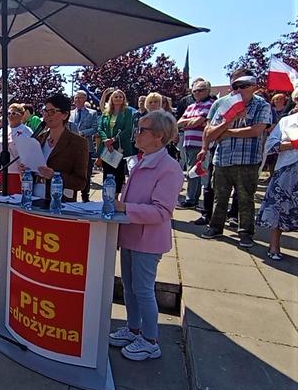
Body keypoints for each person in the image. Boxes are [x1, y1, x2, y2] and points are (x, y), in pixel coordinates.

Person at [108, 110, 183, 361]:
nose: (136, 134)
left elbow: (162, 211)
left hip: (147, 241)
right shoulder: (141, 160)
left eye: (142, 130)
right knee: (129, 288)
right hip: (130, 235)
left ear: (159, 136)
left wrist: (125, 208)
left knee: (143, 289)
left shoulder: (169, 168)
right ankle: (133, 329)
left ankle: (150, 340)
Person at [199, 69, 272, 248]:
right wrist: (228, 122)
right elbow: (209, 132)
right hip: (222, 159)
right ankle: (215, 227)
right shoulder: (223, 103)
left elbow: (256, 130)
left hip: (248, 160)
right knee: (219, 196)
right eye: (235, 86)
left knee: (246, 198)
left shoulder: (262, 105)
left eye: (244, 86)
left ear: (254, 87)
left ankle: (246, 233)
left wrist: (226, 132)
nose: (238, 89)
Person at [256, 89, 298, 261]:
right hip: (287, 170)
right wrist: (293, 144)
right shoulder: (287, 121)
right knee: (279, 209)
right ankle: (274, 246)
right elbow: (271, 145)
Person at [33, 93, 89, 201]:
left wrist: (55, 176)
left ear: (64, 115)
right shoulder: (38, 139)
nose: (47, 115)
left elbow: (80, 183)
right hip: (34, 200)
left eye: (52, 112)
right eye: (45, 111)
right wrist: (25, 172)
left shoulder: (78, 143)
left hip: (59, 204)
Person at [176, 80, 214, 208]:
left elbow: (198, 122)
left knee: (195, 171)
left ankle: (191, 199)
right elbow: (179, 122)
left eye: (200, 90)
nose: (197, 93)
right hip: (187, 142)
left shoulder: (210, 104)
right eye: (195, 91)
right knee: (192, 170)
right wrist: (190, 122)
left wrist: (189, 122)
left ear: (208, 91)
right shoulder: (191, 106)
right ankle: (193, 198)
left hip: (200, 143)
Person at [97, 89, 135, 195]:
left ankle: (116, 197)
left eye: (120, 97)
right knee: (107, 172)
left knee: (118, 174)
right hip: (107, 147)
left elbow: (128, 129)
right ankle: (106, 195)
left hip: (119, 147)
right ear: (111, 99)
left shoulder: (127, 112)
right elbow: (100, 128)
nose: (118, 99)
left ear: (123, 99)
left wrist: (113, 140)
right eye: (115, 97)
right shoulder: (106, 112)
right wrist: (105, 140)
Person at [0, 103, 33, 194]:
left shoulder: (27, 131)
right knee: (2, 201)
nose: (10, 116)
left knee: (15, 199)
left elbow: (32, 151)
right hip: (2, 171)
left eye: (14, 113)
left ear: (22, 115)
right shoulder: (3, 130)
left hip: (18, 173)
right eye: (9, 113)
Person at [69, 90, 98, 202]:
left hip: (86, 147)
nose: (77, 100)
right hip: (71, 148)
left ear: (85, 99)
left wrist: (82, 133)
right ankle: (72, 196)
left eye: (80, 98)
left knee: (86, 172)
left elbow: (95, 128)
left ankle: (85, 196)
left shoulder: (92, 113)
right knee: (72, 172)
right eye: (76, 98)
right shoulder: (70, 113)